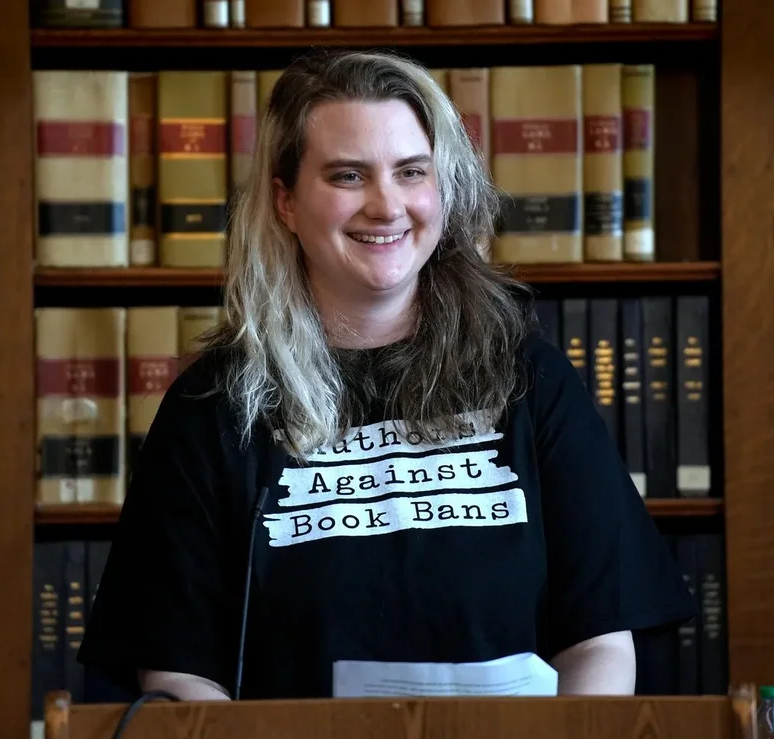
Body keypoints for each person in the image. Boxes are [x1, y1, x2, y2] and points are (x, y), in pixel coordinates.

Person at [77, 48, 696, 702]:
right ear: (286, 202)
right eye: (348, 175)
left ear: (441, 189)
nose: (386, 205)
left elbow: (601, 640)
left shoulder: (527, 380)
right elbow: (176, 671)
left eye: (411, 172)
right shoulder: (213, 406)